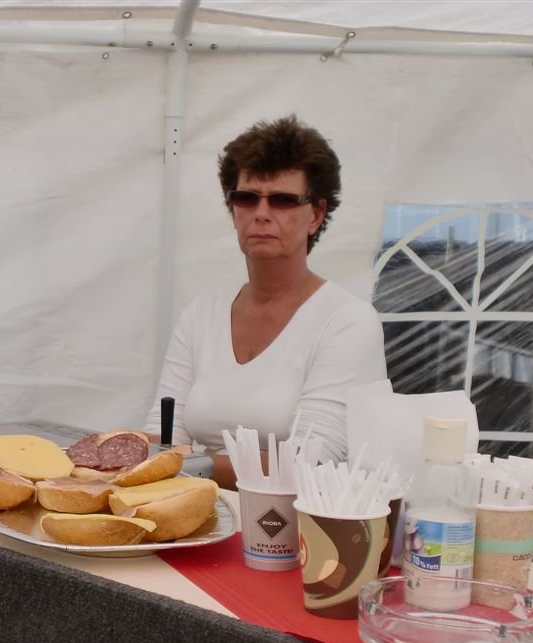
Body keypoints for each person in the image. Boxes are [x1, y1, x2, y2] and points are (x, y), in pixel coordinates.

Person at [143, 114, 387, 490]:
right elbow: (161, 433)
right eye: (246, 198)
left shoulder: (347, 321)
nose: (261, 214)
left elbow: (312, 464)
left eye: (282, 201)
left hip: (292, 522)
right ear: (233, 210)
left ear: (316, 215)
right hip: (196, 511)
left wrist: (185, 462)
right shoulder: (202, 314)